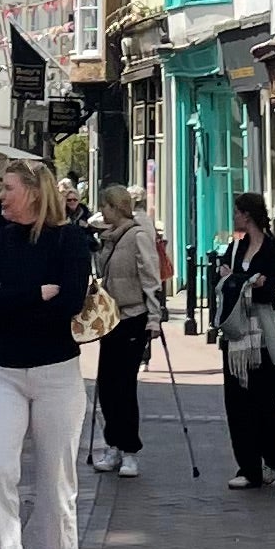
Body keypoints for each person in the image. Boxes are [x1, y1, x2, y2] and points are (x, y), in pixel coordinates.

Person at [0, 157, 94, 549]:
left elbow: (68, 301)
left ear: (33, 192)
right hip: (4, 371)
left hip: (58, 374)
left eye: (7, 188)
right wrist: (35, 293)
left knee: (57, 484)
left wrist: (20, 296)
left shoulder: (70, 240)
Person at [88, 185, 167, 476]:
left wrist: (154, 318)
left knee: (124, 384)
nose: (102, 212)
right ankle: (113, 446)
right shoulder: (107, 238)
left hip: (134, 316)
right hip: (111, 318)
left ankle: (130, 449)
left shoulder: (138, 236)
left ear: (115, 207)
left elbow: (150, 276)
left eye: (105, 207)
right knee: (106, 384)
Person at [214, 194, 275, 489]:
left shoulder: (271, 250)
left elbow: (268, 292)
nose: (233, 217)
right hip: (235, 337)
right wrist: (247, 282)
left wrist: (238, 281)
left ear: (247, 215)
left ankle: (271, 459)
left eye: (236, 212)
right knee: (237, 402)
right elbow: (221, 282)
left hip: (263, 337)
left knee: (264, 401)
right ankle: (247, 467)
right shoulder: (235, 247)